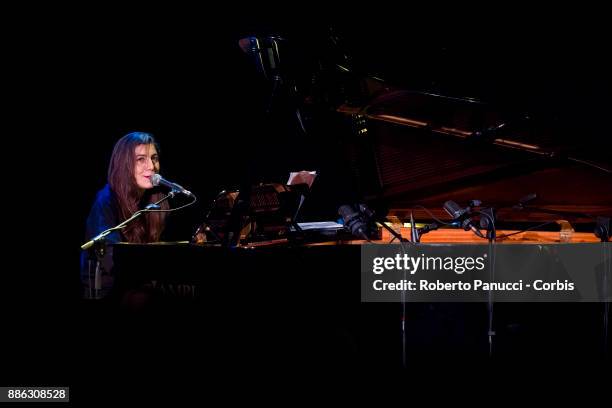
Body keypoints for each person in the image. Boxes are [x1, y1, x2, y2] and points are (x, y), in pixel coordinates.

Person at [80, 131, 169, 299]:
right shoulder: (106, 200)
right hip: (110, 289)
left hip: (143, 283)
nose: (151, 166)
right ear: (124, 164)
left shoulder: (159, 201)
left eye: (154, 158)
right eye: (141, 159)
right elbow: (111, 259)